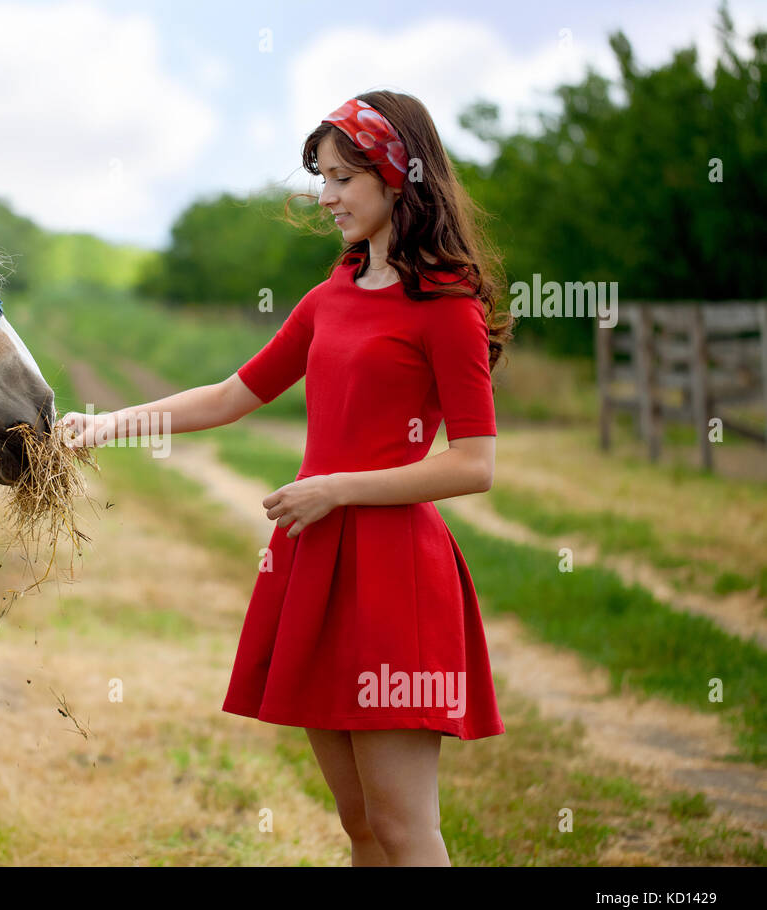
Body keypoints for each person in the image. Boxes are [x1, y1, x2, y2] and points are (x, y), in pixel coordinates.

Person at [60, 90, 515, 866]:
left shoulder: (446, 305)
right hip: (319, 564)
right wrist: (109, 423)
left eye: (342, 178)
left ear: (398, 176)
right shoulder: (330, 295)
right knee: (361, 825)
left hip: (395, 574)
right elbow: (233, 395)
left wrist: (337, 486)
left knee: (406, 829)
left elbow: (475, 464)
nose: (325, 197)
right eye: (322, 177)